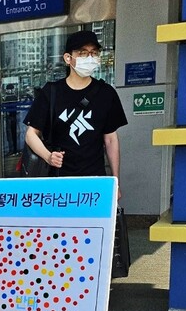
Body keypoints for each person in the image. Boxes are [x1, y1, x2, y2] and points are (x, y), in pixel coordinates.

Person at [23, 31, 128, 196]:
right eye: (82, 53)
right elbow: (31, 135)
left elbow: (111, 139)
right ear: (68, 58)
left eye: (94, 53)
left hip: (95, 181)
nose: (89, 57)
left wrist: (115, 182)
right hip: (58, 182)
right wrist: (48, 156)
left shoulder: (106, 93)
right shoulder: (51, 92)